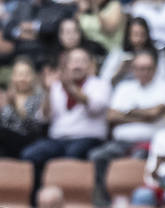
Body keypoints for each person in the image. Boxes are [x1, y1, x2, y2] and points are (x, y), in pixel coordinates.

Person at [90, 48, 165, 206]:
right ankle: (103, 202)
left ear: (155, 69)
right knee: (98, 156)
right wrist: (142, 114)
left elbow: (154, 114)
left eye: (147, 68)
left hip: (149, 144)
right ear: (133, 69)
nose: (143, 72)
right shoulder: (124, 88)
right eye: (139, 68)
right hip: (120, 142)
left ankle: (136, 203)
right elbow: (111, 116)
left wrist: (127, 113)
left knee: (136, 160)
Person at [21, 48, 110, 192]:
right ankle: (37, 198)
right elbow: (44, 117)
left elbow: (95, 107)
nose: (77, 65)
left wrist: (70, 88)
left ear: (89, 65)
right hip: (58, 140)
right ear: (66, 65)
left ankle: (73, 198)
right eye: (74, 61)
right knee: (30, 154)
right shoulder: (55, 86)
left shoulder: (99, 84)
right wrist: (48, 91)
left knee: (73, 154)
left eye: (82, 61)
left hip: (87, 138)